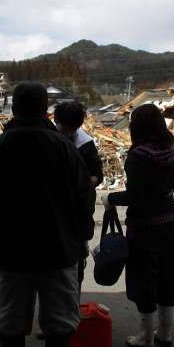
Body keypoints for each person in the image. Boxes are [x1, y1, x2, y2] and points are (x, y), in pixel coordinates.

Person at [0, 82, 92, 347]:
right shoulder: (64, 148)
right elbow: (84, 198)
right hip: (59, 250)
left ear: (13, 109)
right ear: (46, 110)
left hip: (13, 251)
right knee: (59, 323)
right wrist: (82, 239)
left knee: (11, 322)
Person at [105, 103, 174, 347]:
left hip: (143, 228)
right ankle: (164, 333)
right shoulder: (170, 152)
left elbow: (137, 196)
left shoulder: (137, 156)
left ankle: (145, 336)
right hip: (168, 225)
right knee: (167, 276)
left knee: (144, 278)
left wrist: (110, 198)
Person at [54, 101, 104, 293]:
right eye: (64, 128)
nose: (68, 133)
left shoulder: (85, 144)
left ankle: (74, 301)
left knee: (76, 262)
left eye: (72, 129)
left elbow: (97, 174)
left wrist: (82, 184)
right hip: (54, 210)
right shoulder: (48, 139)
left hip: (79, 211)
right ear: (56, 121)